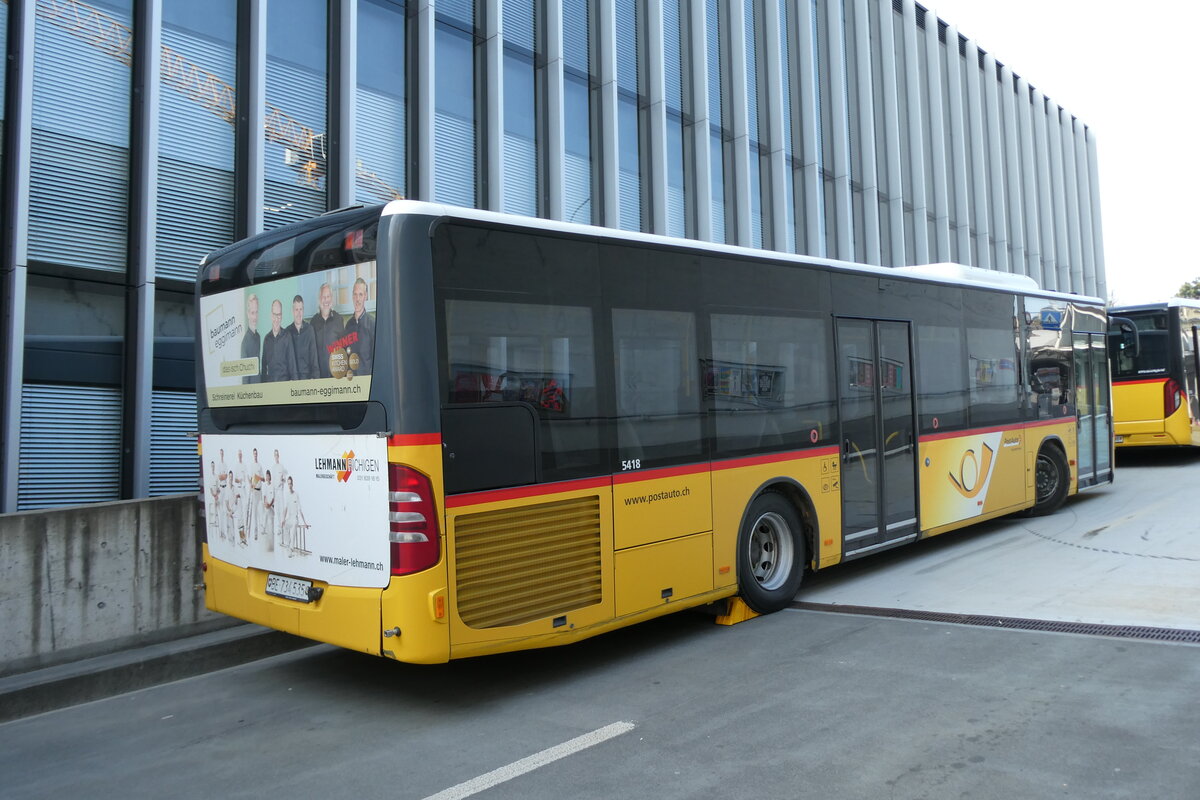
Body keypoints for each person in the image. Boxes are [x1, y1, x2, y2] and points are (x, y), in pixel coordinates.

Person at [342, 277, 375, 376]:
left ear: (365, 296)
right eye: (355, 294)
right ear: (352, 296)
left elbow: (376, 358)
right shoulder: (348, 325)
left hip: (367, 382)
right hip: (351, 383)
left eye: (360, 295)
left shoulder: (372, 324)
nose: (357, 299)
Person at [261, 298, 298, 382]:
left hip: (284, 386)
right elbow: (263, 368)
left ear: (282, 316)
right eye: (274, 314)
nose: (277, 319)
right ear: (271, 315)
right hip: (271, 387)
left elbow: (293, 365)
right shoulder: (266, 339)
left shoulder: (287, 336)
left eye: (279, 315)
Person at [287, 294, 319, 380]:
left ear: (303, 310)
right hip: (292, 380)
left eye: (301, 309)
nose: (299, 313)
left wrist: (315, 378)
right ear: (293, 311)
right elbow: (286, 360)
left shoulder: (310, 330)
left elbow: (314, 357)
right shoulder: (287, 332)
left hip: (307, 379)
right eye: (296, 309)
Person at [281, 476, 310, 556]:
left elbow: (300, 510)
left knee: (293, 527)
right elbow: (286, 508)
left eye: (290, 484)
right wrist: (283, 519)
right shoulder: (287, 495)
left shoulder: (296, 494)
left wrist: (305, 523)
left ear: (292, 484)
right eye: (288, 484)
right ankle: (288, 544)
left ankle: (291, 548)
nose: (289, 485)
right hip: (289, 518)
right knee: (284, 526)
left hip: (295, 518)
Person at [241, 293, 262, 384]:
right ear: (248, 314)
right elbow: (245, 376)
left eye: (256, 312)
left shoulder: (258, 337)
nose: (255, 317)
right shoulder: (245, 342)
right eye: (252, 313)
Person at [247, 448, 265, 541]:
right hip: (254, 491)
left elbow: (264, 479)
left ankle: (262, 530)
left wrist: (260, 478)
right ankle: (255, 533)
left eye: (256, 453)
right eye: (254, 454)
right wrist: (250, 484)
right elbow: (249, 478)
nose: (255, 455)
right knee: (254, 513)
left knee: (260, 511)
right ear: (252, 454)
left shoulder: (259, 465)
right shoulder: (251, 466)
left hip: (259, 491)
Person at [231, 449, 248, 544]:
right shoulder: (236, 466)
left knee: (245, 514)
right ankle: (241, 538)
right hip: (239, 491)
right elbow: (235, 480)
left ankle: (245, 538)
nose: (240, 455)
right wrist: (239, 480)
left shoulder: (245, 466)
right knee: (240, 516)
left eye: (241, 454)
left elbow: (247, 478)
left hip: (244, 491)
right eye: (239, 454)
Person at [261, 470, 275, 553]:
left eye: (268, 476)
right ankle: (264, 528)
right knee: (265, 513)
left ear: (270, 477)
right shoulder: (265, 486)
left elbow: (273, 498)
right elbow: (264, 496)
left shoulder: (272, 486)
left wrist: (269, 505)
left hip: (271, 507)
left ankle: (271, 545)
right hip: (267, 507)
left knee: (270, 525)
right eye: (266, 476)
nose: (267, 478)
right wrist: (265, 503)